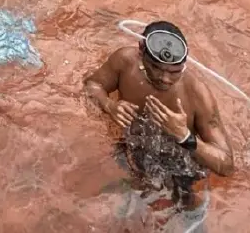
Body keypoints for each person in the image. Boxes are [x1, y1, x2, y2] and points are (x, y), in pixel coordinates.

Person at [83, 21, 234, 209]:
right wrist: (109, 105)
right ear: (140, 50)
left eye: (174, 72)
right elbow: (92, 85)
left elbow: (227, 165)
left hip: (180, 167)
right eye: (155, 67)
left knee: (183, 212)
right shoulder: (124, 62)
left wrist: (185, 137)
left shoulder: (197, 95)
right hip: (133, 149)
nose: (165, 78)